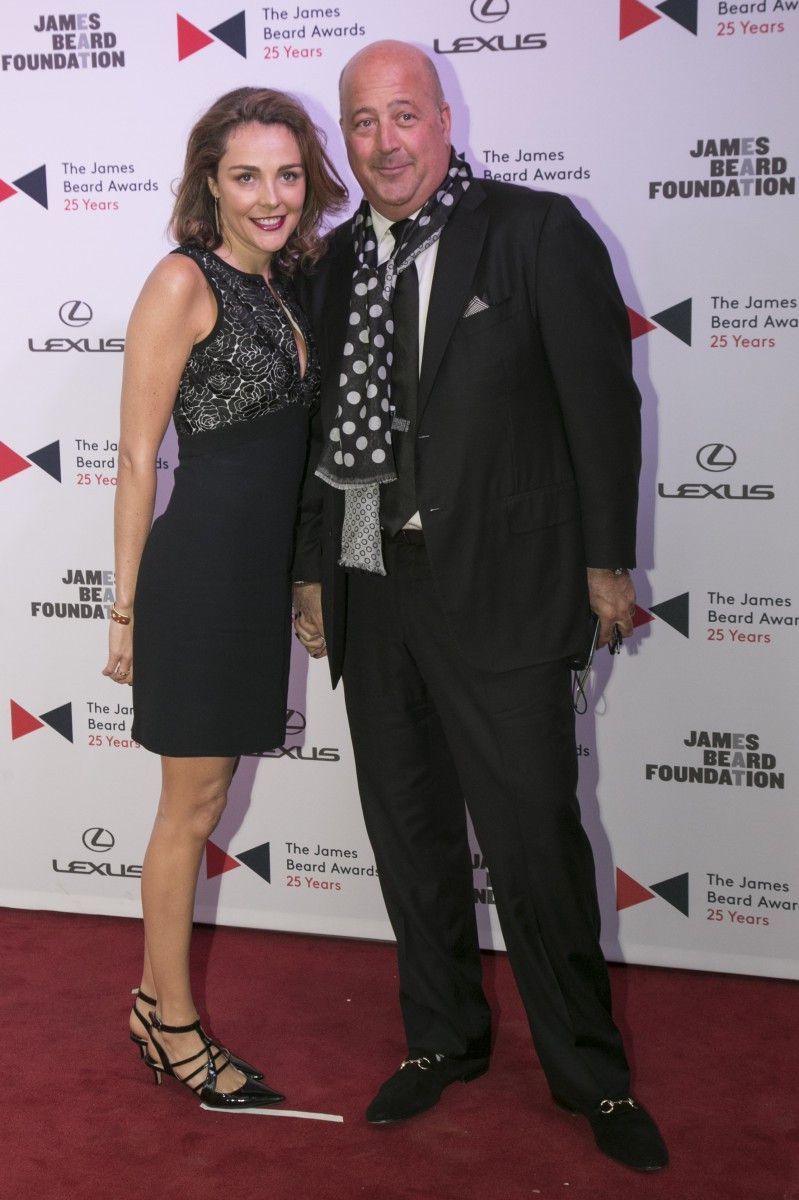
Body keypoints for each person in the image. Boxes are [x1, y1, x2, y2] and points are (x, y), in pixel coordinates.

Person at [292, 42, 667, 1171]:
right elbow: (316, 440)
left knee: (533, 841)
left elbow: (600, 405)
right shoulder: (332, 261)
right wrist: (311, 571)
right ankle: (441, 1038)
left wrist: (607, 562)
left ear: (444, 120)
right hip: (372, 582)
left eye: (403, 115)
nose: (384, 143)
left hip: (507, 588)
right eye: (362, 122)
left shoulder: (534, 230)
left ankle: (591, 1076)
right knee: (408, 834)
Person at [102, 87, 346, 1109]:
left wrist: (302, 577)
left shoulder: (289, 285)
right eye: (247, 176)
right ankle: (172, 1026)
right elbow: (135, 458)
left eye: (286, 174)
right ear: (210, 182)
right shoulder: (182, 280)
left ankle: (150, 1004)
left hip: (253, 582)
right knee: (190, 809)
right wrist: (124, 609)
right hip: (200, 578)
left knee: (202, 803)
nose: (270, 196)